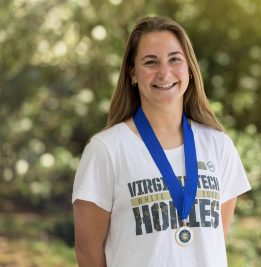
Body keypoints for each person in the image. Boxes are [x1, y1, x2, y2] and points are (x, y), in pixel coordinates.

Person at [72, 16, 251, 267]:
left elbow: (213, 241)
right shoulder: (106, 149)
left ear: (189, 68)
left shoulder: (218, 144)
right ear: (133, 74)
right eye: (150, 62)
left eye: (175, 59)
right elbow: (88, 252)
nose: (164, 73)